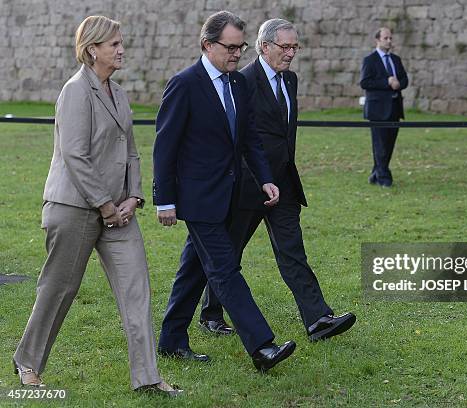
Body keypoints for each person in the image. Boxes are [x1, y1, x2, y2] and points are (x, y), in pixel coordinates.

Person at [12, 15, 179, 396]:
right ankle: (28, 362)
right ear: (91, 50)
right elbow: (75, 154)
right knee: (59, 289)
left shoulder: (118, 92)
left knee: (136, 290)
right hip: (74, 208)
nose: (121, 50)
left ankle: (148, 378)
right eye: (113, 44)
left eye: (121, 43)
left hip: (120, 212)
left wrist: (133, 197)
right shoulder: (75, 91)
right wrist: (105, 205)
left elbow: (131, 152)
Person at [153, 10, 296, 372]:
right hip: (198, 199)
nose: (236, 54)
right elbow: (165, 146)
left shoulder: (237, 83)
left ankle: (171, 340)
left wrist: (265, 178)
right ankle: (262, 347)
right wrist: (164, 201)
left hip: (232, 195)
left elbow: (249, 139)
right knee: (225, 269)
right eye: (230, 47)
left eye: (241, 47)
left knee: (194, 270)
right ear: (207, 45)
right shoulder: (184, 84)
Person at [198, 19, 356, 342]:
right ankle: (211, 314)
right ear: (264, 46)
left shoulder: (291, 81)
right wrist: (253, 180)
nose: (290, 53)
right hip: (247, 185)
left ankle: (318, 320)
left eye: (295, 47)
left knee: (293, 251)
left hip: (283, 184)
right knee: (230, 251)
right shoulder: (241, 82)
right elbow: (236, 138)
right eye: (285, 47)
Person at [360, 27, 409, 188]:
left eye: (390, 38)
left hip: (395, 108)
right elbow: (365, 83)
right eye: (386, 38)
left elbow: (404, 80)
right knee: (380, 145)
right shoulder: (370, 60)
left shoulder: (396, 59)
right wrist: (386, 82)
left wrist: (398, 84)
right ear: (377, 40)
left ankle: (376, 172)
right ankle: (384, 178)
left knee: (388, 145)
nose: (389, 41)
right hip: (377, 110)